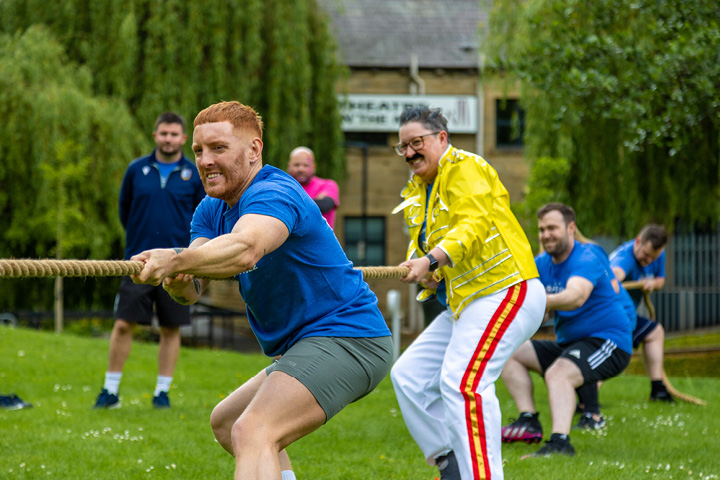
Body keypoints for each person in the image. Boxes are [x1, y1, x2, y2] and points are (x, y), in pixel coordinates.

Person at [128, 101, 392, 480]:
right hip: (307, 343)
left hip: (348, 337)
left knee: (253, 431)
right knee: (227, 421)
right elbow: (194, 283)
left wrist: (176, 259)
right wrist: (178, 277)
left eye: (219, 149)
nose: (205, 161)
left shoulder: (275, 192)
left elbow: (246, 247)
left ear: (254, 150)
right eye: (199, 151)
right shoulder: (211, 209)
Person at [389, 106, 546, 480]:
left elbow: (471, 226)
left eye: (416, 143)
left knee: (464, 383)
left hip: (507, 288)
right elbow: (431, 248)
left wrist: (431, 260)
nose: (409, 153)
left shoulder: (466, 167)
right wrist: (428, 271)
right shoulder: (419, 192)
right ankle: (451, 463)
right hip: (466, 303)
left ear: (441, 138)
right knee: (408, 376)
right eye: (402, 147)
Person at [500, 203, 632, 457]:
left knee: (559, 374)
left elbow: (575, 297)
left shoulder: (587, 257)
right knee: (511, 349)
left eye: (552, 228)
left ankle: (560, 444)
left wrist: (535, 301)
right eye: (541, 229)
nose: (546, 234)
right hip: (570, 344)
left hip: (608, 341)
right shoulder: (540, 264)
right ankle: (528, 421)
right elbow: (524, 301)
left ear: (571, 228)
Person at [94, 112, 206, 409]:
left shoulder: (194, 174)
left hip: (179, 264)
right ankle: (110, 391)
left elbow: (201, 218)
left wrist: (188, 257)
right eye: (163, 133)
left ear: (183, 139)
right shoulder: (136, 170)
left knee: (171, 328)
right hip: (138, 261)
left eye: (174, 134)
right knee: (122, 325)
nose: (168, 139)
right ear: (155, 135)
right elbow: (124, 211)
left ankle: (162, 393)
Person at [609, 225, 673, 401]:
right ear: (638, 241)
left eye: (654, 257)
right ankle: (587, 404)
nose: (649, 261)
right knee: (610, 353)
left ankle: (658, 389)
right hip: (610, 316)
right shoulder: (624, 258)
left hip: (626, 315)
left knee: (654, 332)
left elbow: (660, 280)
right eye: (646, 255)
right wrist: (614, 277)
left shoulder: (657, 253)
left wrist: (653, 284)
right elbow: (614, 275)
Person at [286, 146, 340, 229]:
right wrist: (314, 202)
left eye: (306, 165)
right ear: (289, 166)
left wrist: (290, 203)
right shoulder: (284, 187)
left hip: (321, 241)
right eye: (296, 165)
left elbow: (325, 205)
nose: (301, 169)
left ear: (313, 167)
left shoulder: (328, 185)